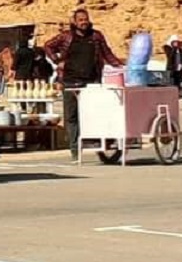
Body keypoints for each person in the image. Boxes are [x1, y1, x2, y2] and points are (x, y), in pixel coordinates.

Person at [44, 9, 123, 159]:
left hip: (91, 82)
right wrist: (57, 60)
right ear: (74, 21)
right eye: (80, 20)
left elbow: (107, 54)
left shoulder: (96, 36)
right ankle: (75, 149)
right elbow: (47, 45)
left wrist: (119, 65)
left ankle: (99, 143)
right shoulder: (66, 36)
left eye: (85, 19)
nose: (83, 22)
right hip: (70, 81)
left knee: (94, 114)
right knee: (72, 116)